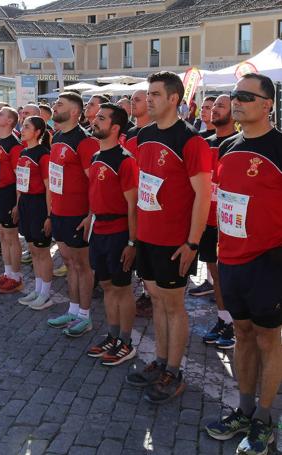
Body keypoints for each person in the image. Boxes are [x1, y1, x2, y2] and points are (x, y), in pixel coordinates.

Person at [204, 73, 282, 455]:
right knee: (242, 335)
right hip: (231, 259)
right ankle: (245, 409)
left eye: (246, 96)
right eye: (235, 95)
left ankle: (266, 420)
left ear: (267, 104)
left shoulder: (280, 148)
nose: (237, 101)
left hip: (269, 262)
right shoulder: (227, 147)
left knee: (269, 338)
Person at [126, 71, 212, 404]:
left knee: (174, 307)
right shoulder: (143, 135)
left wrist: (192, 243)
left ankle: (174, 371)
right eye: (148, 93)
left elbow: (203, 196)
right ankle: (160, 360)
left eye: (156, 94)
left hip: (175, 241)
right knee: (156, 300)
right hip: (147, 236)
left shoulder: (190, 140)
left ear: (174, 98)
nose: (149, 99)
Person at [85, 103, 139, 366]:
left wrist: (131, 242)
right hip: (99, 230)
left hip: (119, 233)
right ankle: (113, 334)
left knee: (122, 288)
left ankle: (126, 342)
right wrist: (89, 218)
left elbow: (133, 205)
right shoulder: (95, 158)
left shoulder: (125, 160)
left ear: (115, 127)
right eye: (96, 117)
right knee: (106, 286)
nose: (95, 121)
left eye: (101, 118)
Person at [45, 92, 99, 337]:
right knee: (68, 263)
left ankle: (85, 316)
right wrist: (50, 212)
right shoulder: (56, 137)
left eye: (60, 104)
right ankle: (73, 308)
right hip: (59, 212)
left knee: (82, 266)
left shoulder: (85, 141)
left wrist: (90, 215)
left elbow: (95, 183)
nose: (55, 107)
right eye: (55, 103)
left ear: (75, 112)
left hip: (78, 215)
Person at [194, 94, 238, 350]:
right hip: (208, 221)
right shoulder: (203, 142)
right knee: (216, 275)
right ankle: (224, 320)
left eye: (221, 106)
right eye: (212, 106)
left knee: (232, 278)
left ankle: (238, 324)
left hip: (233, 225)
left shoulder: (239, 144)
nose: (214, 110)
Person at [14, 116, 53, 309]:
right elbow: (21, 183)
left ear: (37, 132)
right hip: (26, 204)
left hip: (39, 205)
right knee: (33, 250)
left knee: (42, 251)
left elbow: (49, 188)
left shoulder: (43, 155)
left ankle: (45, 293)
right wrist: (17, 205)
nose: (22, 129)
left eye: (27, 127)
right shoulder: (23, 152)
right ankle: (38, 289)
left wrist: (49, 215)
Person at [0, 107, 24, 293]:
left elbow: (20, 177)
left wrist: (18, 204)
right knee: (2, 234)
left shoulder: (14, 144)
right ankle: (8, 272)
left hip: (8, 194)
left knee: (11, 236)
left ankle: (16, 276)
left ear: (10, 121)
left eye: (1, 114)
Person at [124, 89, 153, 317]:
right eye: (132, 99)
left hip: (150, 201)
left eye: (137, 100)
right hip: (130, 198)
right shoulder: (129, 132)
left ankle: (151, 295)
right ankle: (145, 291)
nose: (133, 103)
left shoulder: (155, 132)